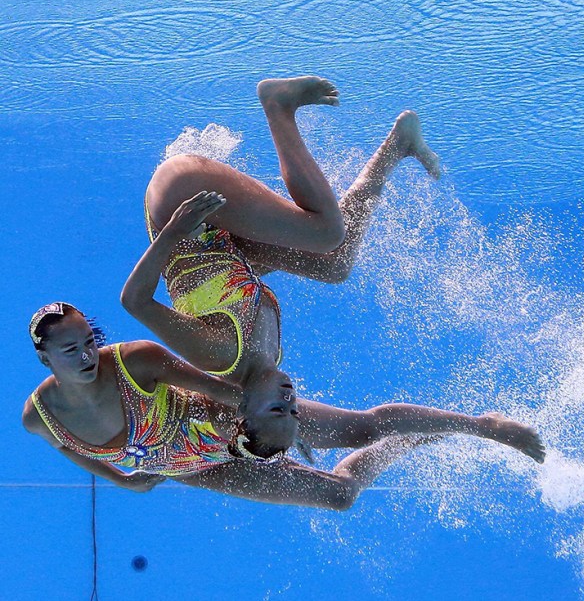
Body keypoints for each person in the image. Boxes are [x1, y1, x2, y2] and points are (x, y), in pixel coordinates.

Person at [121, 75, 545, 467]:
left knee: (325, 232)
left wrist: (174, 230)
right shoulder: (267, 367)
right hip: (221, 238)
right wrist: (483, 429)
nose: (290, 400)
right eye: (294, 410)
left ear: (243, 408)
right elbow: (370, 427)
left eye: (277, 409)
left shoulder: (218, 354)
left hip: (182, 201)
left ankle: (278, 106)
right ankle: (396, 147)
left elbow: (136, 301)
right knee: (334, 265)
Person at [22, 303, 531, 509]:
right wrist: (123, 479)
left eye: (90, 340)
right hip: (198, 469)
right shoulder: (39, 416)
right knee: (341, 497)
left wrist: (284, 427)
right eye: (71, 350)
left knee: (359, 429)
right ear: (45, 358)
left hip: (221, 418)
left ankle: (484, 425)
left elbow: (228, 392)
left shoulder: (136, 362)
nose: (88, 354)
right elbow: (75, 452)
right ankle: (410, 440)